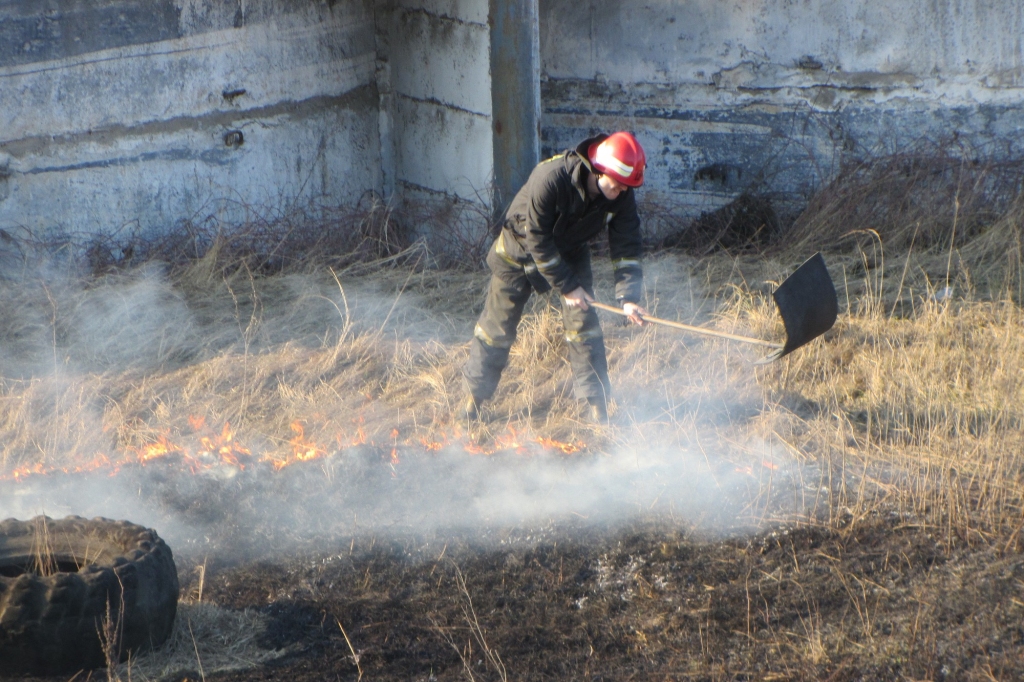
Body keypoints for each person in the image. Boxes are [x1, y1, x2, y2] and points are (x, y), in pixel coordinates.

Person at [461, 131, 649, 424]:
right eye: (619, 185)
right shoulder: (550, 178)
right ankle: (472, 404)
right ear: (600, 170)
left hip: (569, 252)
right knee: (497, 329)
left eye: (628, 187)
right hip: (518, 250)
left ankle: (598, 412)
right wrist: (568, 287)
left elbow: (627, 245)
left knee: (585, 329)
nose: (623, 192)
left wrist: (628, 298)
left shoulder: (620, 192)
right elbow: (537, 241)